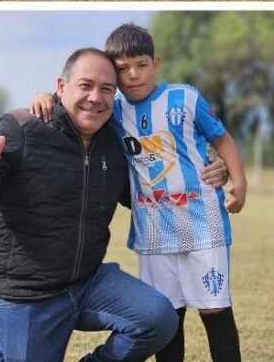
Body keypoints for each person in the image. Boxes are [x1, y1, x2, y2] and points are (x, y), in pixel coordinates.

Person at [0, 50, 179, 362]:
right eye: (85, 85)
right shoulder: (22, 128)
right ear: (61, 86)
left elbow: (136, 193)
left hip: (88, 280)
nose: (95, 98)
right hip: (28, 293)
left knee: (158, 319)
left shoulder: (114, 140)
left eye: (106, 89)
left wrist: (204, 174)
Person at [30, 24, 246, 362]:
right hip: (154, 231)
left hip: (203, 223)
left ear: (155, 63)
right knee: (167, 315)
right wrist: (44, 96)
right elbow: (71, 101)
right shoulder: (112, 110)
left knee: (215, 310)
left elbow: (222, 139)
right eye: (122, 69)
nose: (133, 75)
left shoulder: (184, 98)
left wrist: (239, 182)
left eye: (141, 65)